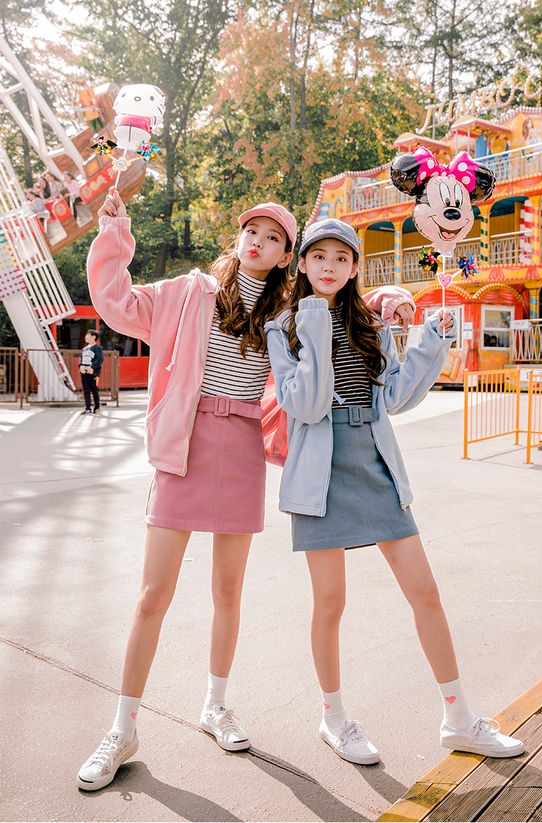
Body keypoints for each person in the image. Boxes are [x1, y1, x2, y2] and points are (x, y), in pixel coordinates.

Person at [76, 189, 413, 791]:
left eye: (275, 237)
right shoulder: (189, 292)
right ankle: (122, 727)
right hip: (184, 445)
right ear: (238, 238)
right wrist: (116, 228)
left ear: (287, 256)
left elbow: (343, 301)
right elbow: (116, 300)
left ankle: (215, 705)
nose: (259, 240)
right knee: (153, 594)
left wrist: (392, 299)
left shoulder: (288, 311)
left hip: (242, 449)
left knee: (228, 591)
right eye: (252, 230)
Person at [265, 218, 524, 765]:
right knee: (330, 603)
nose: (329, 266)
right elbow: (307, 406)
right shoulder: (283, 326)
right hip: (319, 473)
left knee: (424, 591)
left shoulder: (370, 324)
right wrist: (314, 323)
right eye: (319, 256)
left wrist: (431, 341)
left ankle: (458, 718)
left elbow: (396, 397)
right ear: (302, 263)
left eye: (341, 258)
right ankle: (334, 718)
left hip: (375, 461)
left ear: (355, 267)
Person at [79, 329, 104, 414]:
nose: (86, 336)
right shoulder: (85, 348)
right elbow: (81, 359)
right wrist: (80, 366)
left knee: (94, 389)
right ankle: (87, 408)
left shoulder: (97, 348)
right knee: (86, 390)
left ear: (94, 337)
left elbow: (100, 359)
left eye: (88, 335)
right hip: (84, 371)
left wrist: (92, 367)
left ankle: (96, 407)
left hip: (93, 372)